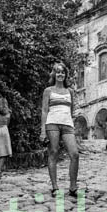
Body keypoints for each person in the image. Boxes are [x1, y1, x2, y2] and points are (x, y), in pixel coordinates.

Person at [40, 62, 80, 196]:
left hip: (67, 125)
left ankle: (73, 186)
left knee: (74, 154)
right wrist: (42, 131)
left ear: (65, 75)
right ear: (54, 74)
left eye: (63, 72)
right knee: (53, 152)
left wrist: (73, 120)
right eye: (58, 72)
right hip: (52, 124)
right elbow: (45, 111)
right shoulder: (48, 91)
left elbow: (73, 110)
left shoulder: (70, 91)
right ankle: (55, 187)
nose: (60, 74)